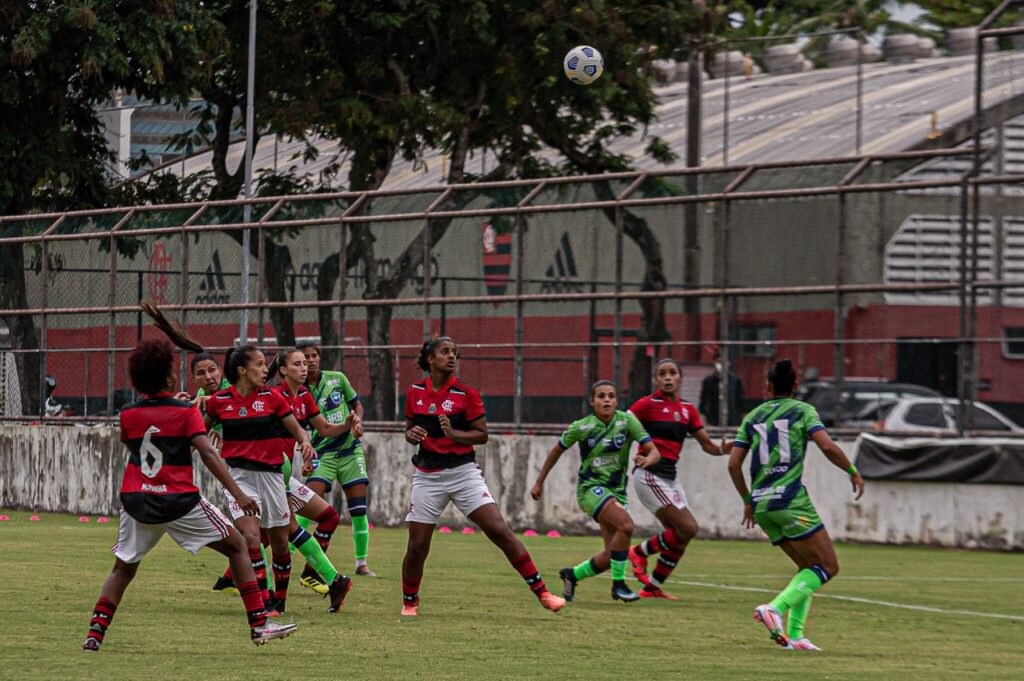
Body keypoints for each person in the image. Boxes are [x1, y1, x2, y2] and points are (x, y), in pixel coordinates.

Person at [82, 339, 296, 650]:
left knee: (123, 568)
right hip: (178, 500)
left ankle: (94, 634)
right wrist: (238, 494)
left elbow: (133, 446)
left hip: (136, 500)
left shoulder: (128, 413)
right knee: (238, 547)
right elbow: (208, 453)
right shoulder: (185, 412)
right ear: (168, 377)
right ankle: (259, 624)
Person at [401, 336, 565, 616]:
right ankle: (410, 602)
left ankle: (543, 593)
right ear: (430, 359)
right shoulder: (415, 391)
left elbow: (482, 435)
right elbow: (409, 428)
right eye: (444, 352)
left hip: (463, 473)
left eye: (454, 352)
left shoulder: (466, 394)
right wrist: (410, 433)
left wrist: (453, 434)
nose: (451, 356)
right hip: (428, 476)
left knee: (499, 530)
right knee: (417, 546)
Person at [727, 359, 865, 651]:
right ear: (796, 386)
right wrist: (852, 471)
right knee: (828, 565)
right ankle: (773, 609)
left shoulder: (751, 416)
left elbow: (733, 464)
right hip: (790, 501)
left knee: (808, 566)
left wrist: (747, 501)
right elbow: (826, 445)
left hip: (762, 505)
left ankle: (796, 636)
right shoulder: (803, 411)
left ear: (767, 386)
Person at [203, 344, 351, 615]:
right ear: (242, 371)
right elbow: (199, 433)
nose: (265, 369)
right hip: (240, 478)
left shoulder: (273, 398)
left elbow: (298, 430)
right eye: (259, 364)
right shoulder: (219, 401)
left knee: (281, 540)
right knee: (250, 537)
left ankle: (279, 602)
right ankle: (262, 598)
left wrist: (305, 443)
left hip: (274, 477)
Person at [531, 380, 661, 603]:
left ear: (616, 400)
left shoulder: (627, 421)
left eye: (611, 396)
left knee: (613, 554)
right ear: (592, 401)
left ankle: (572, 575)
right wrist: (539, 483)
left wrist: (647, 459)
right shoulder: (581, 427)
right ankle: (618, 586)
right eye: (601, 396)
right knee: (626, 525)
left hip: (617, 492)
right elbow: (555, 453)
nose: (607, 400)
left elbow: (654, 452)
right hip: (591, 490)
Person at [626, 358, 729, 599]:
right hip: (649, 475)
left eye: (672, 373)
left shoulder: (687, 410)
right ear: (656, 380)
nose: (668, 378)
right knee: (688, 527)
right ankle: (638, 552)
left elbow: (708, 446)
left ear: (681, 378)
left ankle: (651, 588)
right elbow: (622, 425)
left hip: (669, 478)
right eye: (662, 374)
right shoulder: (647, 404)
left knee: (681, 536)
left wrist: (727, 447)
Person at [298, 342, 375, 581]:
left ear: (319, 357)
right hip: (322, 453)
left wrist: (359, 422)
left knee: (359, 510)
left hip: (350, 451)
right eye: (304, 358)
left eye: (313, 355)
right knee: (307, 505)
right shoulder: (298, 391)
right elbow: (299, 429)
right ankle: (286, 553)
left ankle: (361, 563)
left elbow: (357, 406)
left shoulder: (337, 378)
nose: (310, 361)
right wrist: (306, 456)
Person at [699, 351, 745, 426]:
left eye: (724, 361)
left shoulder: (735, 380)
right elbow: (703, 402)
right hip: (713, 421)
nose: (721, 364)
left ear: (728, 363)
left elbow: (741, 401)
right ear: (714, 362)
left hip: (733, 421)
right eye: (718, 361)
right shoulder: (708, 381)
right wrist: (704, 419)